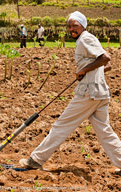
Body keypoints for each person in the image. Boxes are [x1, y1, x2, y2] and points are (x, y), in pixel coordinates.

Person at [19, 11, 121, 175]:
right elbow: (105, 66)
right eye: (70, 25)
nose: (72, 28)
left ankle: (36, 159)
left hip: (89, 93)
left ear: (83, 26)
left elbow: (105, 58)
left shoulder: (85, 39)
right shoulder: (87, 38)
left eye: (75, 25)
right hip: (100, 93)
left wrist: (84, 70)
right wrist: (86, 71)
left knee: (62, 125)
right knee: (105, 131)